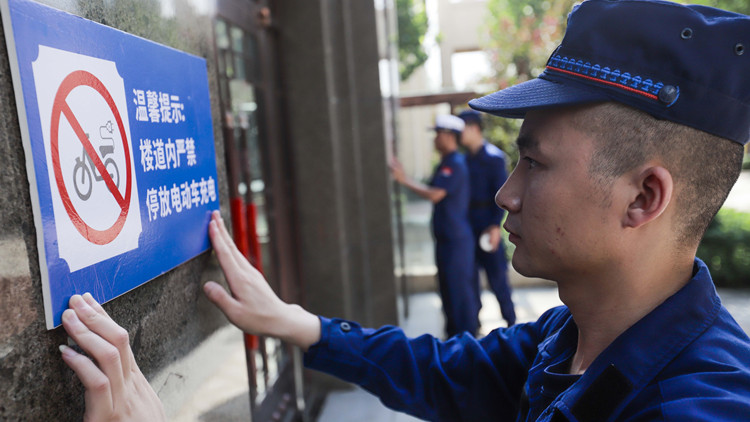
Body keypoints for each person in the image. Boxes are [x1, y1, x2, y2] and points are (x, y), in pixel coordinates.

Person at [60, 0, 750, 421]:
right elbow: (442, 372)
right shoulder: (569, 338)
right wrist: (295, 324)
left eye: (534, 163)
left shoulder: (698, 405)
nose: (507, 193)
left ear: (643, 198)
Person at [390, 115, 479, 337]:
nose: (435, 139)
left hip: (456, 240)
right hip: (448, 239)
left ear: (449, 136)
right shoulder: (447, 162)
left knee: (458, 293)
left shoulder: (454, 163)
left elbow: (435, 194)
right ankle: (455, 338)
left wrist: (403, 180)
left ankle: (466, 341)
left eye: (438, 134)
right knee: (449, 292)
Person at [458, 109, 516, 327]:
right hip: (467, 226)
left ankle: (512, 324)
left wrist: (494, 227)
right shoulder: (463, 160)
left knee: (498, 279)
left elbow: (501, 195)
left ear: (474, 129)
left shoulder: (494, 158)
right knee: (470, 280)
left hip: (487, 223)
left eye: (461, 129)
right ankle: (474, 327)